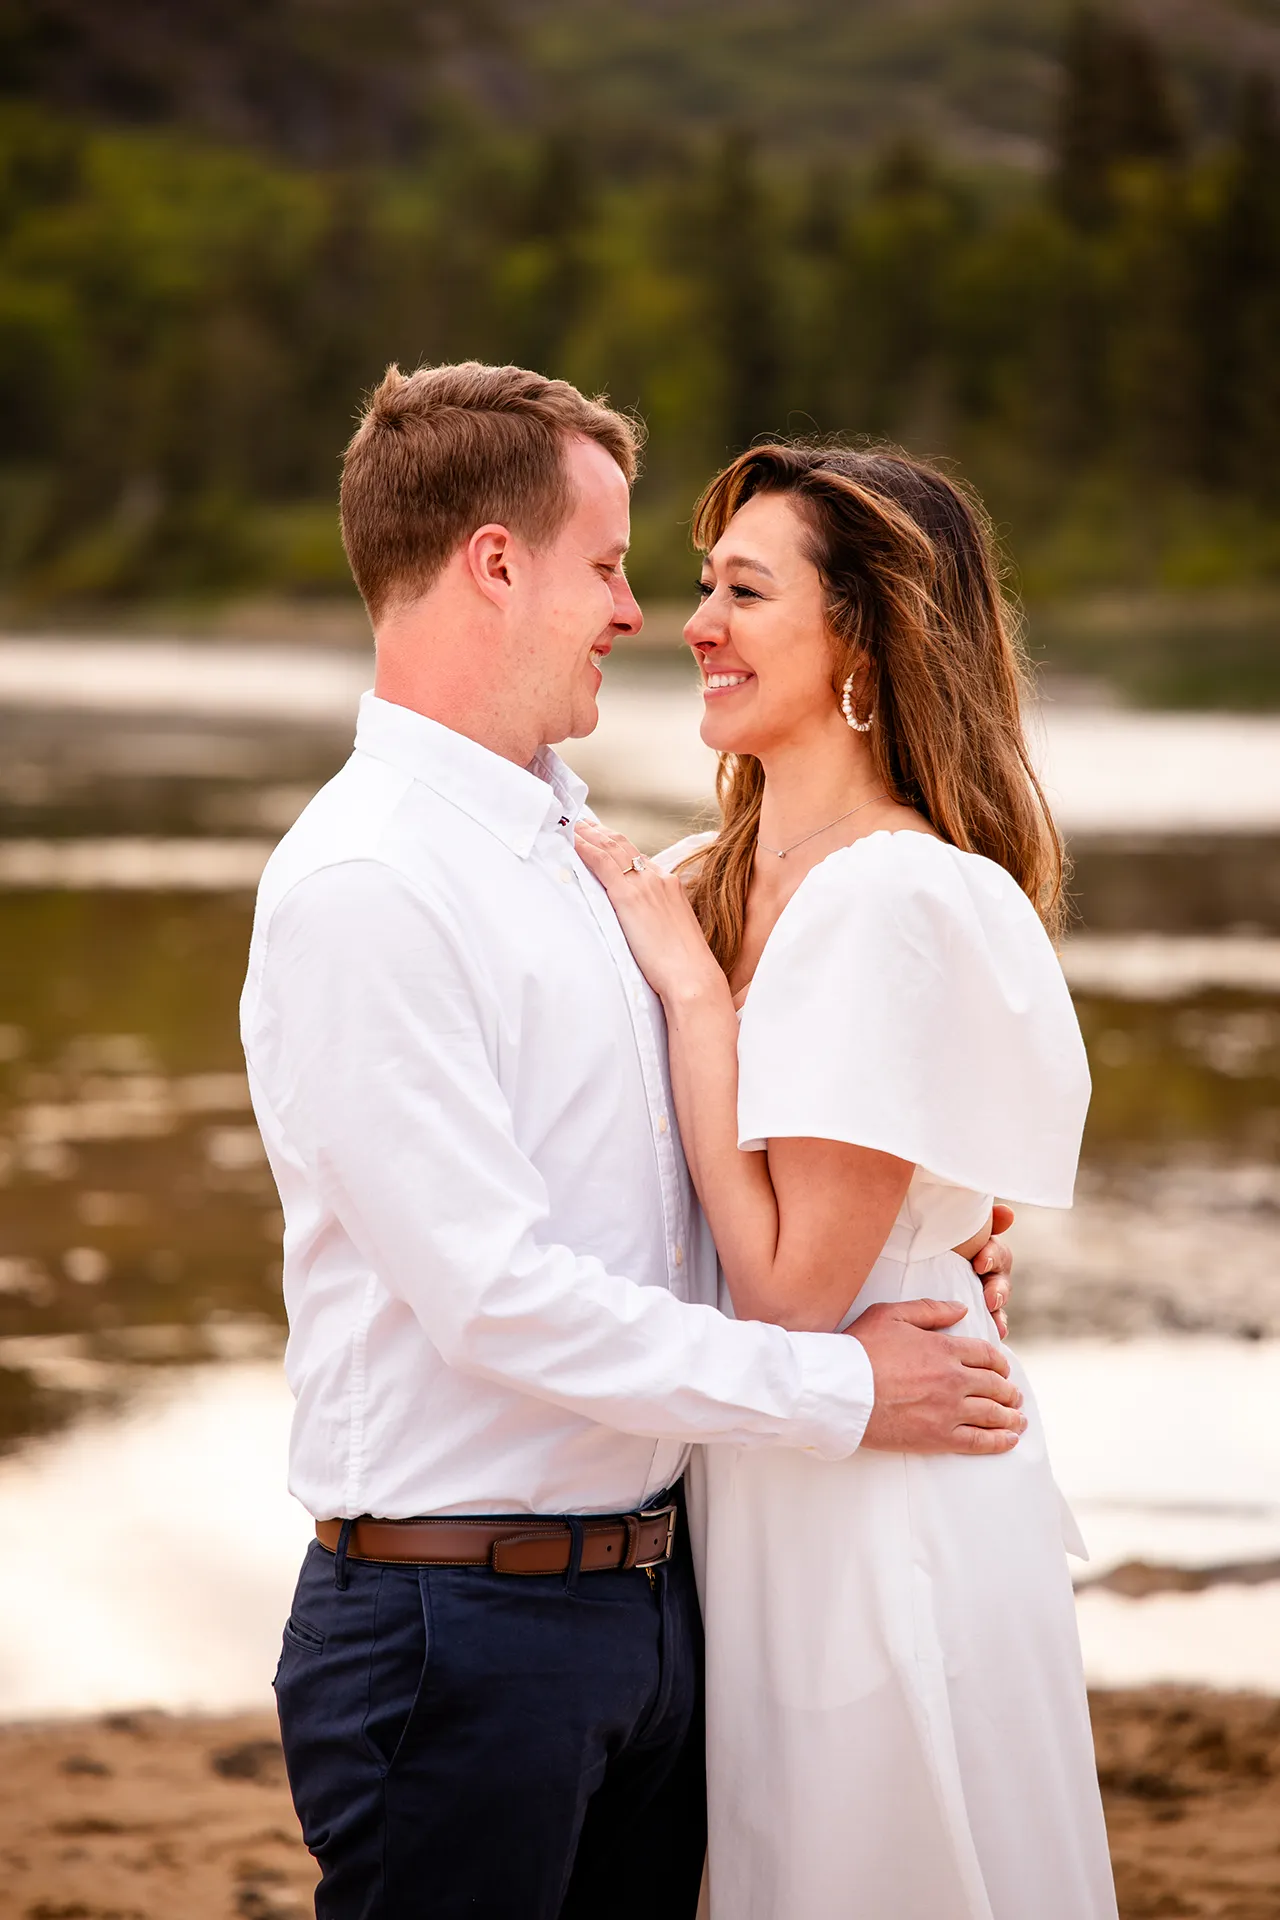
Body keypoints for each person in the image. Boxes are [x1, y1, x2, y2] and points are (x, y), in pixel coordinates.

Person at [240, 364, 1023, 1920]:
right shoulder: (370, 886)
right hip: (455, 1624)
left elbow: (690, 1187)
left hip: (661, 1607)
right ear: (493, 561)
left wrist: (920, 1227)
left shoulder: (598, 858)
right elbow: (500, 1300)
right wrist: (846, 1383)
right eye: (608, 567)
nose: (636, 614)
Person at [575, 443, 1118, 1919]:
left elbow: (796, 1286)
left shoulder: (891, 898)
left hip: (884, 1491)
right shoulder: (711, 871)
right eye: (699, 587)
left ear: (865, 640)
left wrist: (697, 1001)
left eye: (746, 592)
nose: (696, 624)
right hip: (768, 1471)